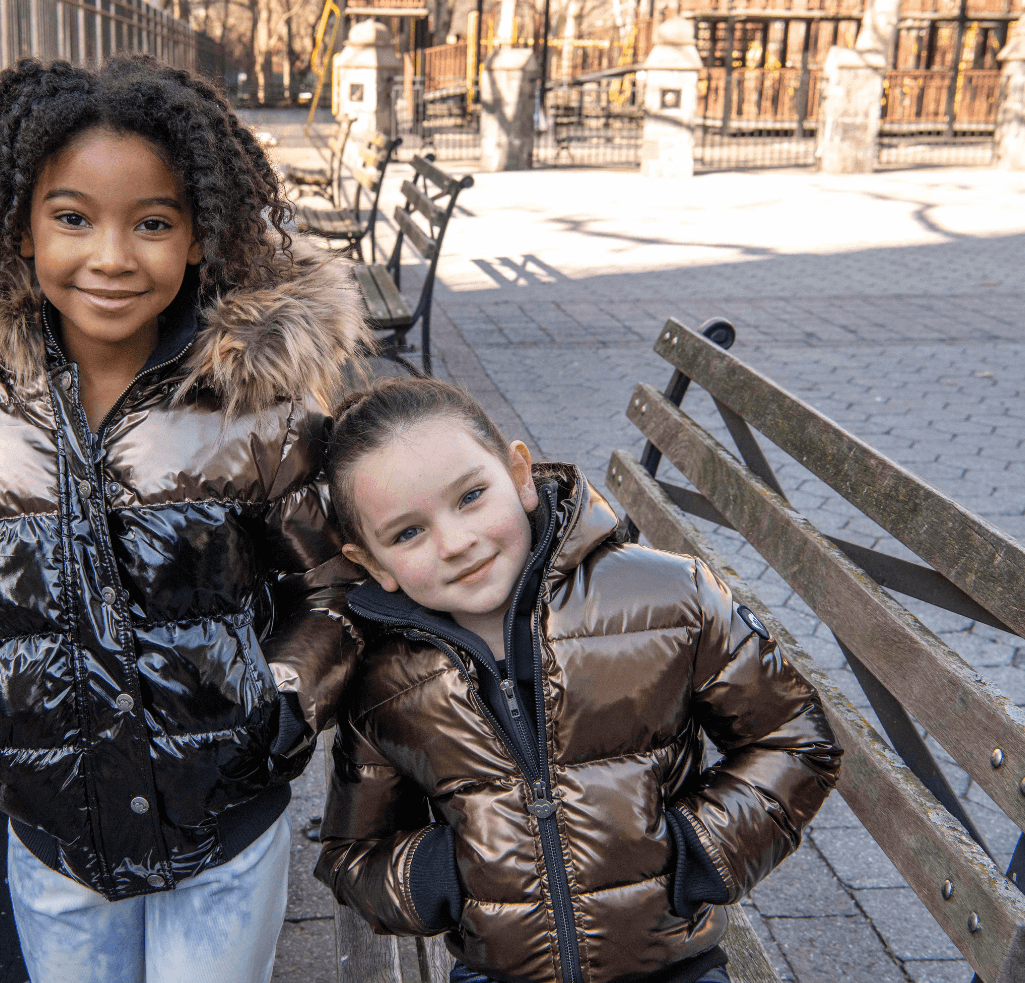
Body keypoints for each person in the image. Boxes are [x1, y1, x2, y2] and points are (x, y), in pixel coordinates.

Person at [0, 55, 369, 983]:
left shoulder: (260, 420)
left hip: (227, 821)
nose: (110, 256)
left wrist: (284, 700)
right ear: (19, 230)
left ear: (197, 238)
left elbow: (333, 587)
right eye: (72, 218)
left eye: (152, 223)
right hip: (56, 829)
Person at [314, 378, 843, 983]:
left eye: (471, 496)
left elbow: (795, 738)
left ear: (518, 474)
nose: (456, 543)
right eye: (408, 533)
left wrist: (697, 851)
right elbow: (352, 854)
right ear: (373, 563)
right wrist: (446, 875)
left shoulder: (668, 598)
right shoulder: (385, 679)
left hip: (671, 966)